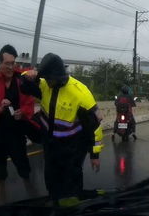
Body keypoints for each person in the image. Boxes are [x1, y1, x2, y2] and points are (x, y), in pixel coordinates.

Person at [21, 53, 104, 207]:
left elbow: (95, 126)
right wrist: (28, 75)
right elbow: (24, 87)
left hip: (73, 147)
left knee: (71, 183)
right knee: (51, 179)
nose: (48, 83)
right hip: (50, 144)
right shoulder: (45, 84)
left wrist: (95, 154)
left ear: (59, 76)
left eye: (50, 79)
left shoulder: (80, 94)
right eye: (46, 79)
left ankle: (75, 207)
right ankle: (56, 204)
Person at [0, 44, 35, 203]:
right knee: (0, 174)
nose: (11, 67)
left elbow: (30, 104)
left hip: (18, 134)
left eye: (13, 63)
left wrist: (23, 112)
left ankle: (33, 201)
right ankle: (2, 204)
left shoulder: (21, 78)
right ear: (0, 63)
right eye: (7, 63)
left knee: (24, 171)